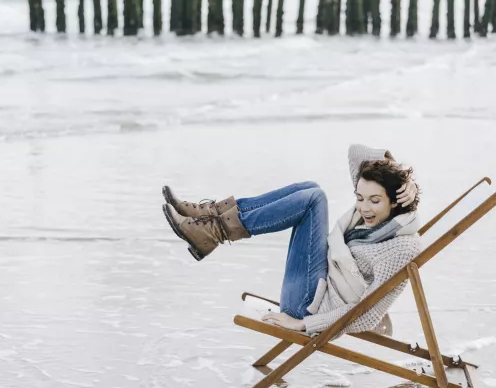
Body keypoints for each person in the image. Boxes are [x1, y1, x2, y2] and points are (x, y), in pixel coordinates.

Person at [161, 143, 422, 335]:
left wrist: (303, 324)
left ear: (394, 202)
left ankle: (213, 231)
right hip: (321, 281)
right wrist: (404, 178)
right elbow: (356, 152)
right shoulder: (381, 216)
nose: (363, 208)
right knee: (309, 187)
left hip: (310, 306)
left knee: (314, 199)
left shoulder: (402, 249)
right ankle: (211, 216)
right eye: (359, 198)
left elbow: (368, 314)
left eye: (374, 201)